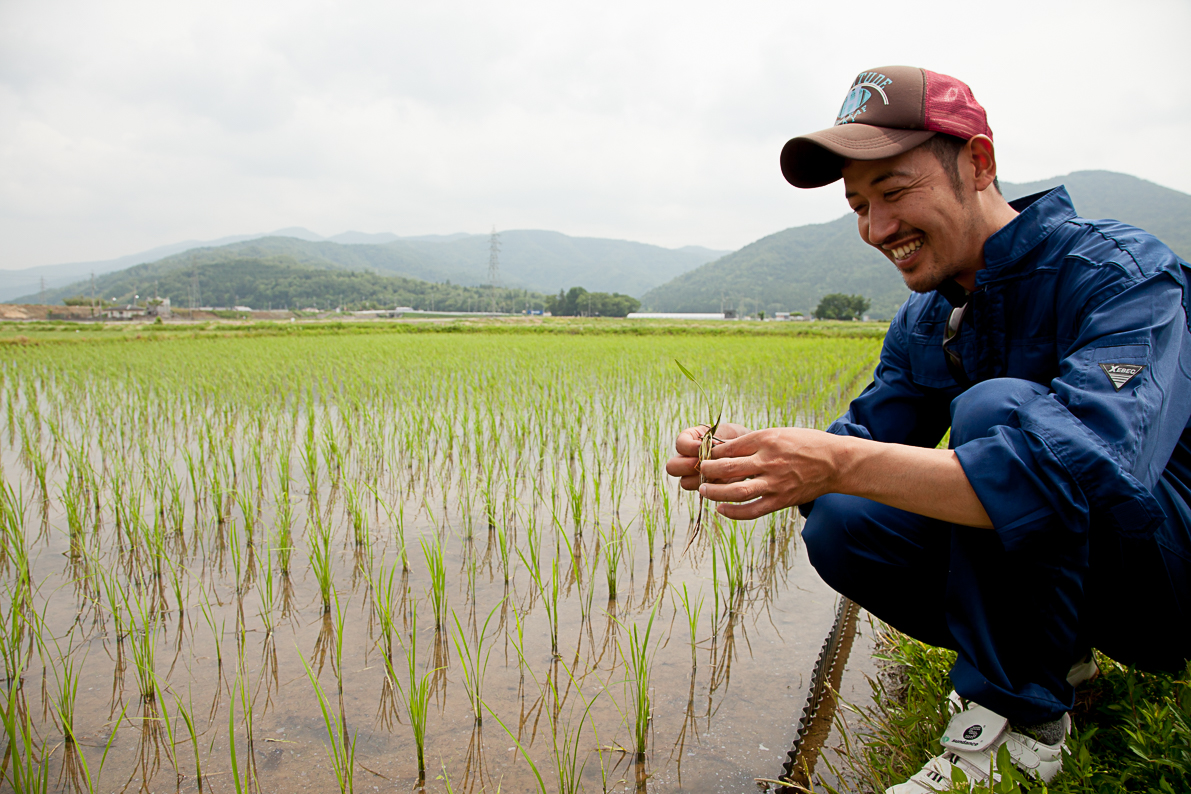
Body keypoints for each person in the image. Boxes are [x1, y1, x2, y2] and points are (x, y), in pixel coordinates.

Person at [666, 65, 1191, 792]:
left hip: (1166, 575)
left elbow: (1089, 473)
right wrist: (756, 454)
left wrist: (833, 462)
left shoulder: (1119, 276)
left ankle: (1016, 730)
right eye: (857, 204)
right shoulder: (927, 318)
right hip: (1081, 571)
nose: (876, 229)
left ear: (977, 164)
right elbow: (860, 444)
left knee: (994, 410)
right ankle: (1058, 669)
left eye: (892, 191)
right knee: (843, 520)